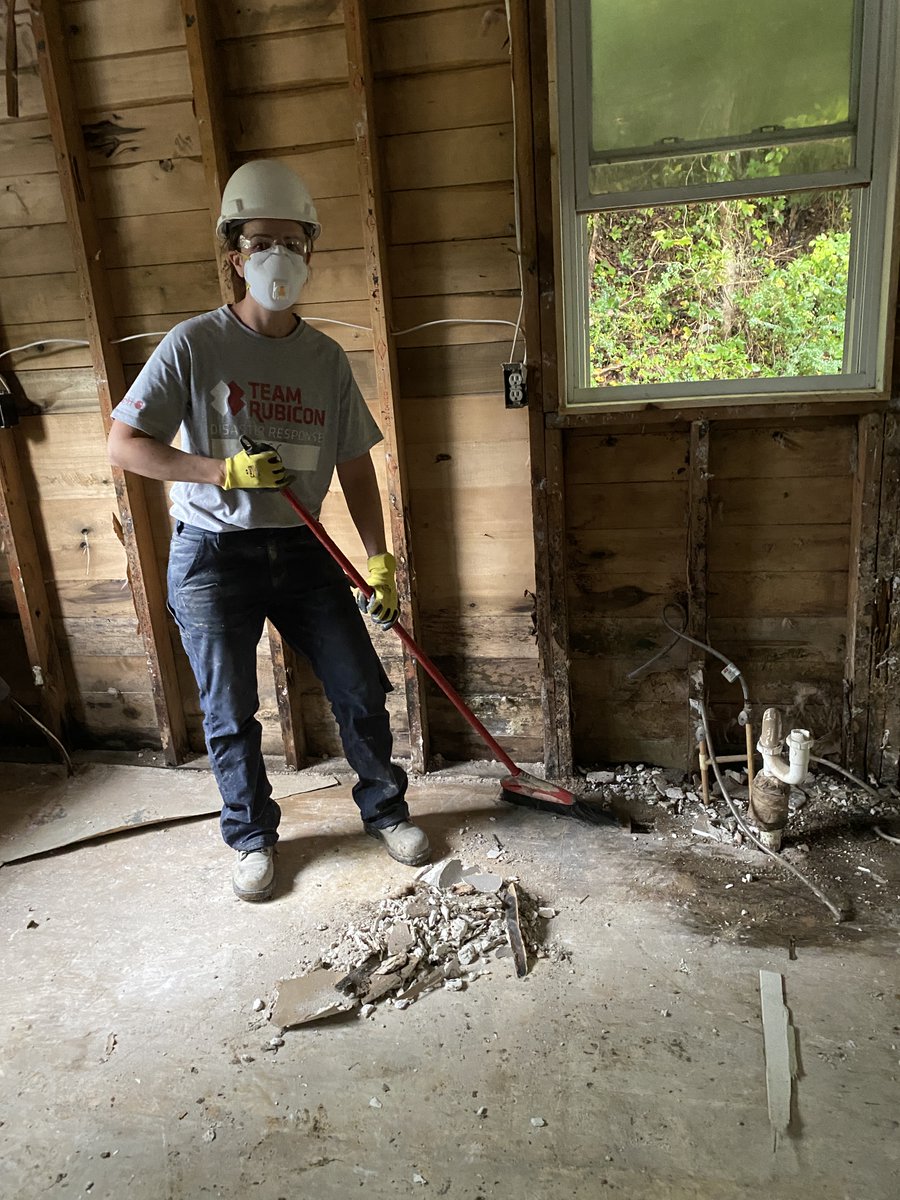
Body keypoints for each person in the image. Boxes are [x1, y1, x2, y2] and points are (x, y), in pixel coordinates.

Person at [107, 158, 431, 902]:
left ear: (310, 251)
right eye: (260, 241)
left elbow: (354, 466)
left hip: (303, 543)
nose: (276, 256)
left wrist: (380, 562)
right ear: (235, 253)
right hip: (213, 554)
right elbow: (125, 443)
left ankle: (385, 810)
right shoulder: (193, 345)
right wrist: (220, 472)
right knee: (228, 710)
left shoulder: (325, 359)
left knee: (359, 686)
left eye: (291, 240)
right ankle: (251, 837)